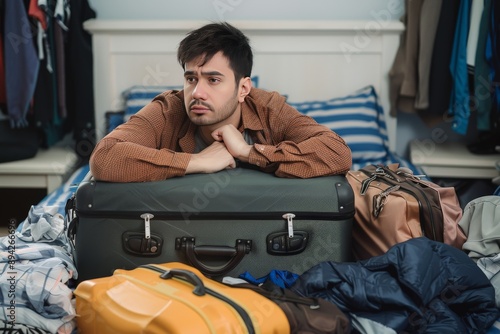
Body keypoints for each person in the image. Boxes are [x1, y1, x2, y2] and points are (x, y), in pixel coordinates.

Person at [89, 22, 352, 182]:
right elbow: (105, 158)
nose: (197, 93)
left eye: (213, 80)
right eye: (191, 79)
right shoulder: (169, 109)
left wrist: (248, 153)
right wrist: (198, 162)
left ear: (243, 88)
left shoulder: (269, 109)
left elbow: (337, 153)